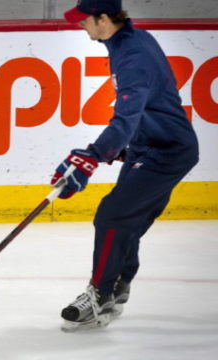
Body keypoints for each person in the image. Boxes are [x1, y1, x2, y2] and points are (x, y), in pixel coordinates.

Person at [54, 0, 199, 331]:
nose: (81, 25)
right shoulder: (124, 42)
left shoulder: (134, 56)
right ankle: (117, 287)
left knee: (113, 215)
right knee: (126, 219)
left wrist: (93, 155)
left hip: (168, 151)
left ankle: (100, 293)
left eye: (85, 20)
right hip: (148, 145)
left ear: (103, 18)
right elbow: (150, 105)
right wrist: (123, 147)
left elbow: (126, 118)